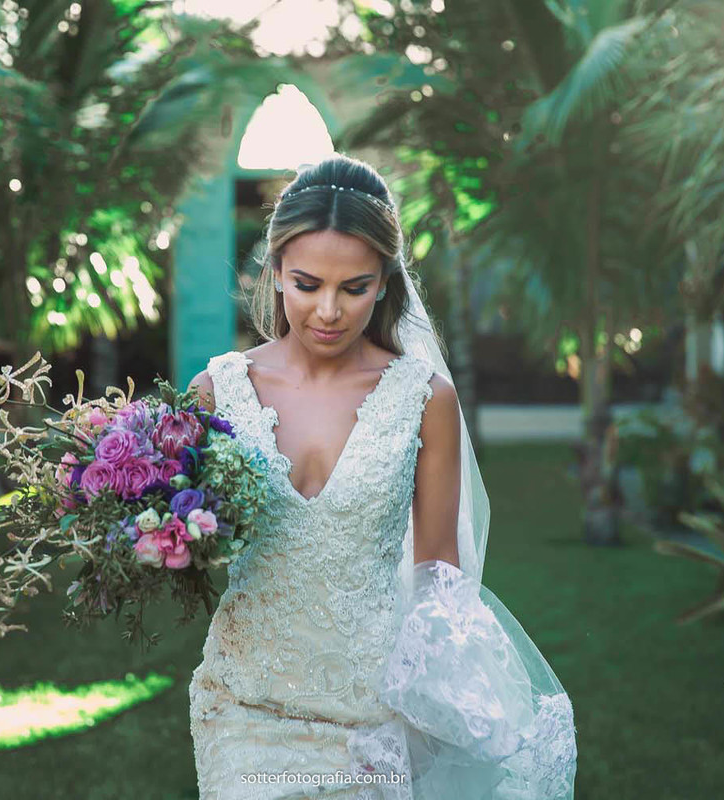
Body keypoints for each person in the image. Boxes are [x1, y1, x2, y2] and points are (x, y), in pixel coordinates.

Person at [185, 154, 576, 799]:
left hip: (371, 716)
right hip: (242, 703)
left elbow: (439, 574)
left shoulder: (424, 398)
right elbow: (188, 537)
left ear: (385, 282)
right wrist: (146, 531)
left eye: (355, 287)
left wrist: (451, 703)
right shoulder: (217, 391)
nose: (329, 311)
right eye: (307, 284)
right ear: (275, 270)